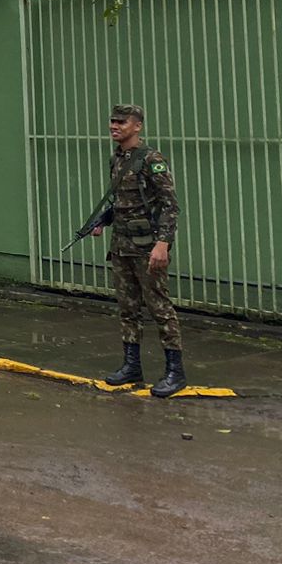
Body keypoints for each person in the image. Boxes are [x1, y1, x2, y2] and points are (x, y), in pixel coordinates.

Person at [97, 104, 186, 397]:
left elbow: (169, 205)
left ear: (137, 126)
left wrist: (163, 244)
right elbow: (125, 202)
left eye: (121, 122)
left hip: (147, 247)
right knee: (128, 309)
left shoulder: (151, 159)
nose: (114, 126)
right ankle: (131, 365)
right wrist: (103, 220)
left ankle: (175, 371)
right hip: (121, 246)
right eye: (112, 121)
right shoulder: (117, 160)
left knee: (159, 307)